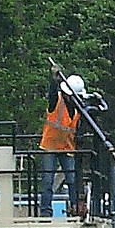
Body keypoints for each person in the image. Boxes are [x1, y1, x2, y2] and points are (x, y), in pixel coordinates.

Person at [39, 64, 87, 217]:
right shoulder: (56, 101)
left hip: (67, 147)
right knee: (48, 180)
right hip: (50, 147)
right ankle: (46, 211)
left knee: (72, 179)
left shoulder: (79, 107)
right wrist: (54, 79)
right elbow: (52, 93)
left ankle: (75, 207)